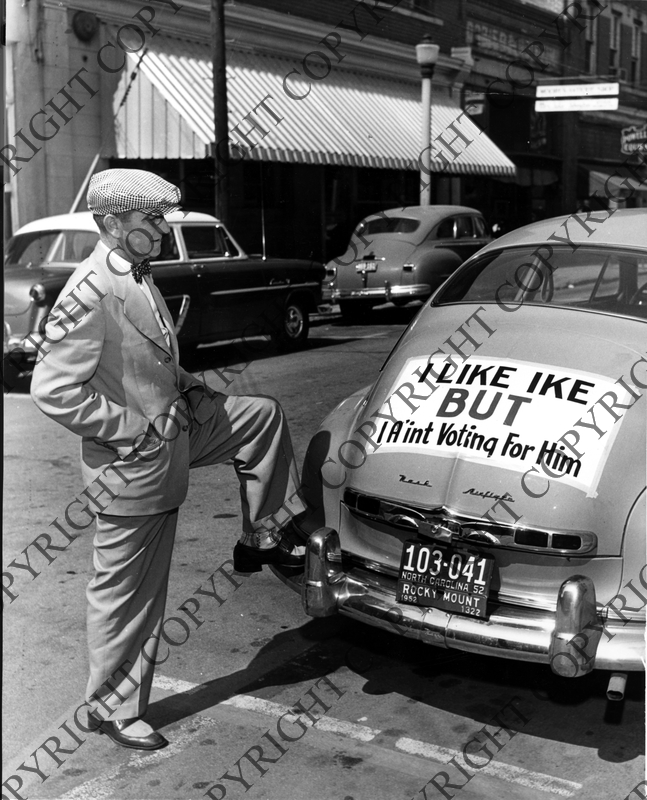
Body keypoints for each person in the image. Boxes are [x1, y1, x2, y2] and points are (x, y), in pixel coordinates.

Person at [30, 168, 306, 751]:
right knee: (129, 593)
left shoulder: (134, 273)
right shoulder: (90, 291)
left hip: (175, 425)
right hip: (133, 462)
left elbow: (143, 357)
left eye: (161, 218)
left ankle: (264, 533)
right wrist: (131, 430)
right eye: (148, 220)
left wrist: (187, 384)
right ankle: (112, 708)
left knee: (259, 416)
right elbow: (53, 390)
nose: (160, 230)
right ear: (109, 224)